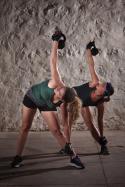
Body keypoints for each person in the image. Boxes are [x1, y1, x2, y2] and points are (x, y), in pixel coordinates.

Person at [11, 30, 84, 169]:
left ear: (62, 100)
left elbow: (65, 126)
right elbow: (53, 61)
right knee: (25, 127)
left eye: (59, 91)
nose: (57, 88)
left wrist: (68, 145)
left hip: (45, 104)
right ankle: (17, 157)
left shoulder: (62, 104)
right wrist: (55, 41)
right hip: (32, 97)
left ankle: (74, 157)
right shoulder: (57, 82)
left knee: (56, 131)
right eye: (59, 88)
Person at [60, 41, 114, 155]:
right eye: (102, 83)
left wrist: (102, 137)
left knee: (90, 124)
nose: (100, 83)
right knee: (69, 121)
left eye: (103, 86)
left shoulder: (100, 104)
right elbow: (91, 65)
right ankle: (67, 145)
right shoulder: (95, 82)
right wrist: (88, 49)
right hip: (73, 96)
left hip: (83, 103)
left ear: (103, 93)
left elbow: (100, 121)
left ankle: (103, 145)